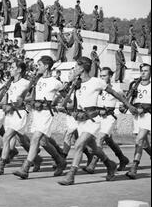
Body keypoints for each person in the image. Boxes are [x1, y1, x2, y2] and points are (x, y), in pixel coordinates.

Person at [57, 57, 137, 186]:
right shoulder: (76, 83)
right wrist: (64, 98)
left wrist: (129, 105)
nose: (75, 69)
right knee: (95, 149)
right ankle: (110, 164)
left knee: (78, 145)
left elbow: (115, 94)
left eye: (77, 67)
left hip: (93, 120)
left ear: (83, 68)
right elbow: (70, 101)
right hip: (80, 120)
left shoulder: (96, 82)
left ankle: (71, 175)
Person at [12, 56, 67, 179]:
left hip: (46, 113)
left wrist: (58, 103)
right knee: (43, 141)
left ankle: (25, 167)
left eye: (40, 65)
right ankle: (60, 161)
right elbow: (32, 96)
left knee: (36, 138)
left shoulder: (56, 82)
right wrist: (22, 100)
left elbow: (66, 96)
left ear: (46, 66)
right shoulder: (38, 80)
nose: (38, 67)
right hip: (36, 113)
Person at [82, 67, 130, 174]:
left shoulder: (117, 90)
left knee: (100, 138)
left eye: (105, 75)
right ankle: (122, 159)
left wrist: (123, 107)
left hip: (109, 118)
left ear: (110, 76)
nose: (103, 78)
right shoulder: (97, 88)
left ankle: (92, 164)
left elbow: (124, 103)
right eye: (101, 76)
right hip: (98, 117)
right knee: (108, 141)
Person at [124, 63, 151, 179]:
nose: (143, 73)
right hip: (137, 116)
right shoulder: (135, 85)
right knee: (143, 143)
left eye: (146, 71)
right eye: (142, 71)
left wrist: (144, 108)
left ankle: (134, 168)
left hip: (148, 115)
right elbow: (129, 98)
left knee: (139, 139)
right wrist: (126, 106)